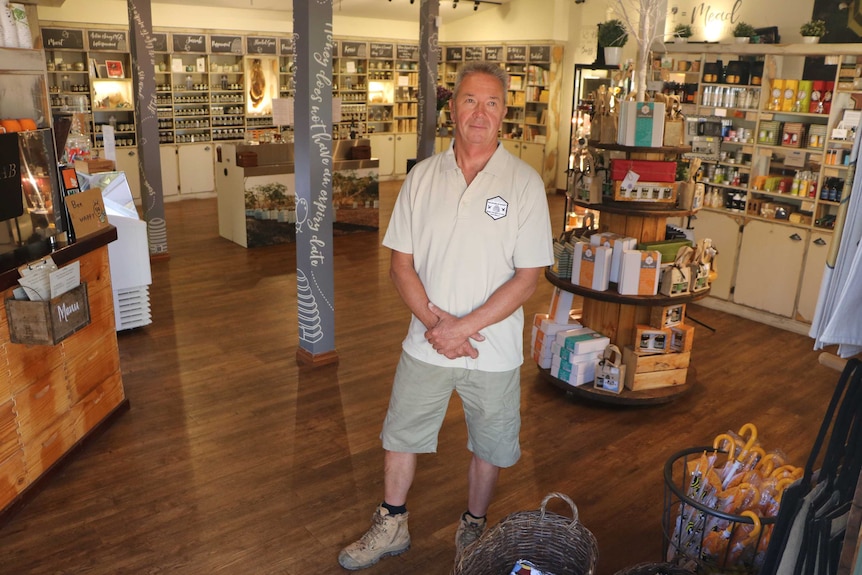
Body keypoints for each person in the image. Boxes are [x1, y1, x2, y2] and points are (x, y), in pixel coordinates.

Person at [338, 61, 554, 571]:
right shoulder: (422, 177)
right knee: (400, 434)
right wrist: (440, 327)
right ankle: (392, 522)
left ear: (504, 113)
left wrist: (462, 327)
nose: (480, 112)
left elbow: (528, 277)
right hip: (427, 342)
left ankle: (474, 528)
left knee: (490, 445)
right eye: (470, 101)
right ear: (452, 108)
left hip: (492, 349)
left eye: (492, 103)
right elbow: (400, 265)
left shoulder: (524, 184)